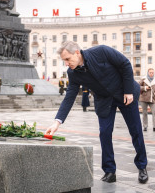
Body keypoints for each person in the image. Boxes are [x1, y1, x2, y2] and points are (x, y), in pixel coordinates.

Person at [45, 41, 148, 184]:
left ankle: (142, 167)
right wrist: (57, 122)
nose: (66, 64)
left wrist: (129, 91)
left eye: (67, 59)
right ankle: (109, 171)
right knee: (104, 133)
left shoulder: (101, 51)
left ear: (77, 52)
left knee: (136, 130)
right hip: (104, 101)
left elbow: (125, 64)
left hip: (124, 94)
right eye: (64, 61)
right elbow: (69, 96)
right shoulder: (72, 73)